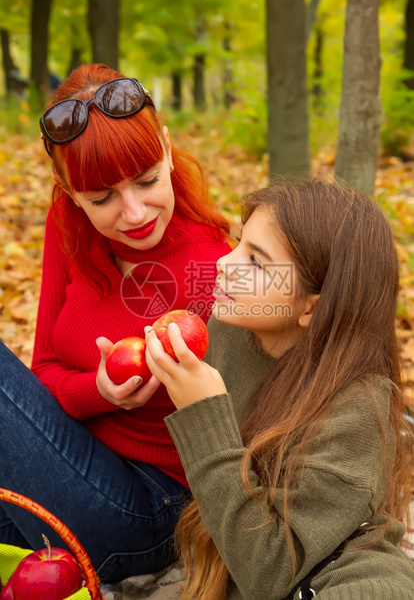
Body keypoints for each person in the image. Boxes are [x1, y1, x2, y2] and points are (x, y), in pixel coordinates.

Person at [0, 63, 232, 583]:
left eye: (147, 180)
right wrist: (100, 391)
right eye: (101, 198)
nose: (133, 213)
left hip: (153, 511)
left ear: (168, 150)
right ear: (68, 189)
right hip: (64, 466)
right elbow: (45, 370)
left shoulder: (221, 267)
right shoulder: (67, 224)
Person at [145, 179, 414, 599]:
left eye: (255, 262)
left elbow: (269, 572)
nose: (223, 264)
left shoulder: (359, 413)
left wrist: (203, 415)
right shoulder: (230, 331)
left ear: (313, 306)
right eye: (238, 243)